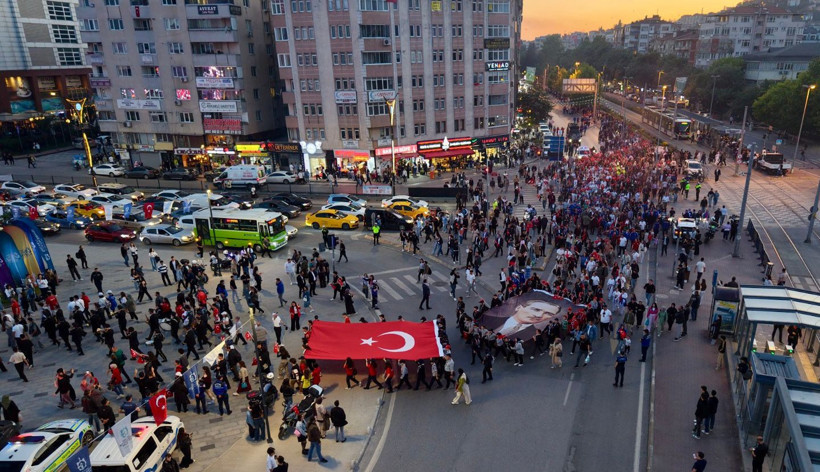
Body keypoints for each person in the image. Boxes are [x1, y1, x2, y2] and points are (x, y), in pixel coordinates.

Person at [493, 298, 560, 337]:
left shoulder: (534, 333)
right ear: (518, 307)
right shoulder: (494, 318)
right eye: (536, 309)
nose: (539, 315)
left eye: (548, 313)